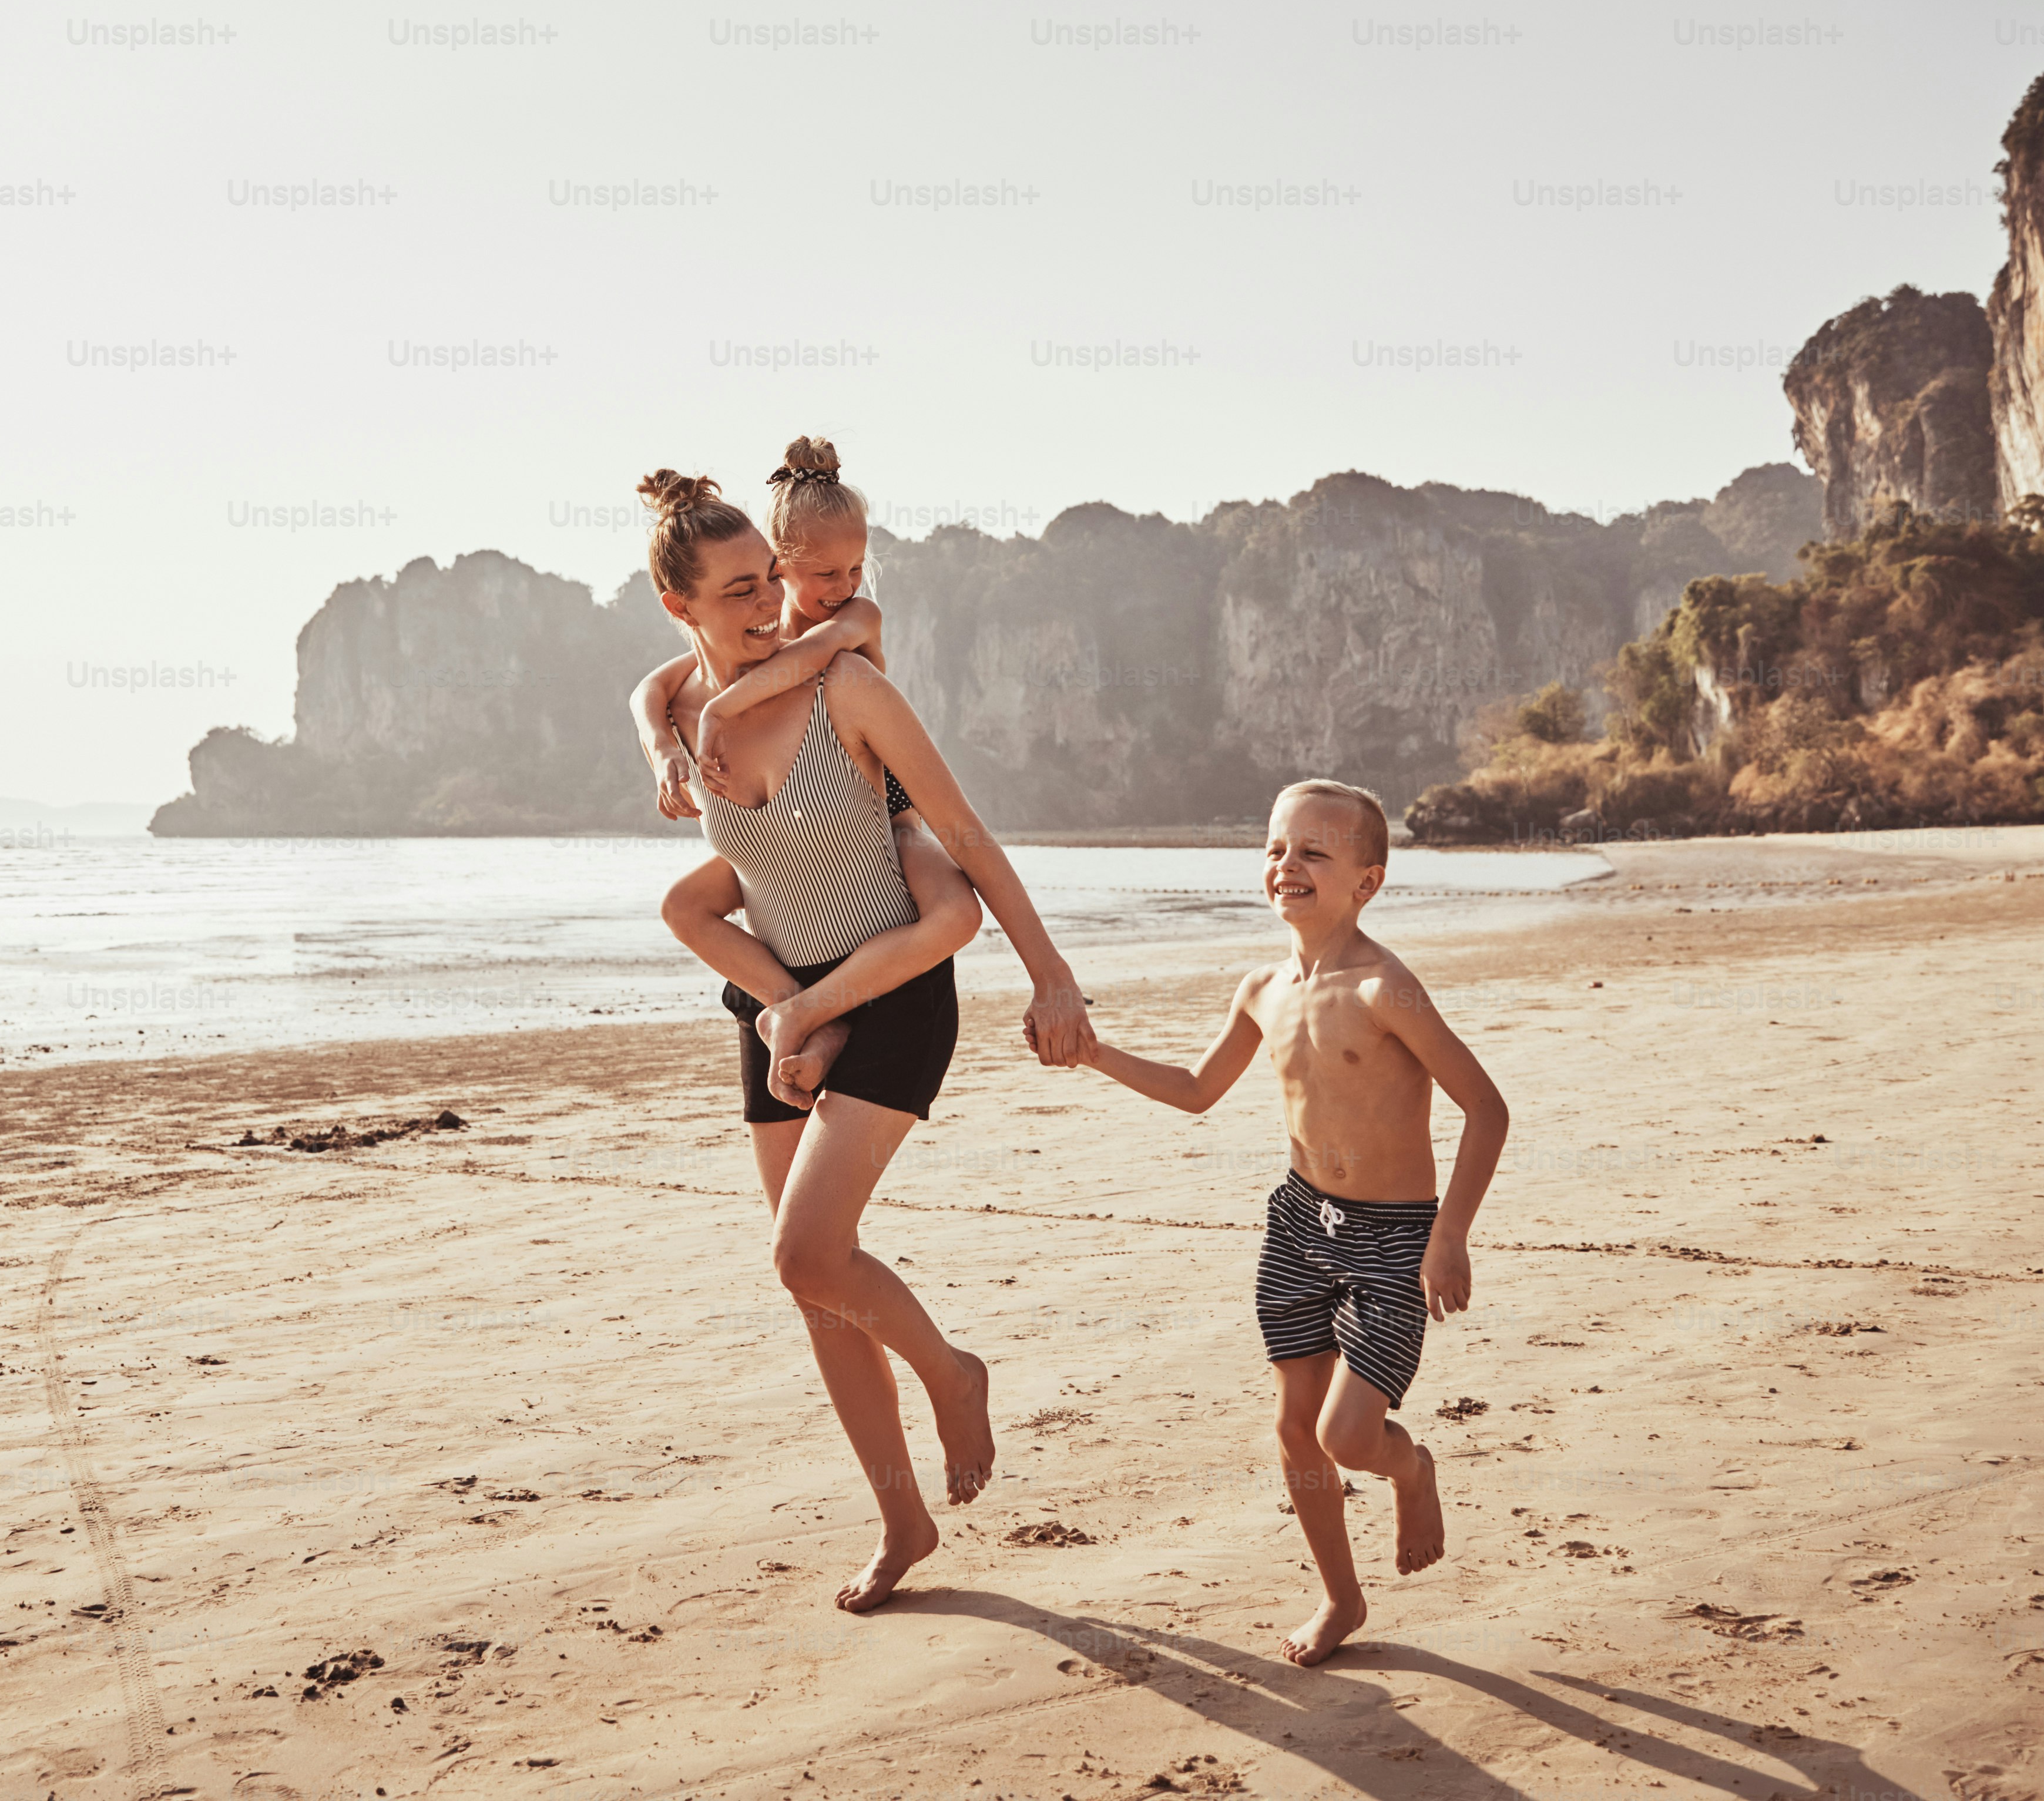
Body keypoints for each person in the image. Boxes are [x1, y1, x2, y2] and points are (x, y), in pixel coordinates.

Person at [633, 466, 1092, 1612]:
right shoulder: (683, 710)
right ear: (681, 606)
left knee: (805, 1254)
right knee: (817, 1285)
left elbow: (963, 835)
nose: (769, 606)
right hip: (782, 995)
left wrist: (1052, 973)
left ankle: (953, 1372)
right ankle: (902, 1525)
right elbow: (653, 701)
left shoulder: (846, 685)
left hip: (894, 999)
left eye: (766, 584)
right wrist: (669, 750)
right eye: (738, 590)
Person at [1069, 778, 1511, 1666]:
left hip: (1394, 1235)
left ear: (1367, 882)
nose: (1288, 865)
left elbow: (1486, 1108)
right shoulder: (1262, 988)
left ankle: (1410, 1469)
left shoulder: (1386, 987)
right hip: (1299, 1224)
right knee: (1292, 1425)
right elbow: (1197, 1092)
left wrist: (1449, 1234)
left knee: (1348, 1437)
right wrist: (1095, 1052)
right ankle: (1342, 1599)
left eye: (1315, 851)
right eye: (1277, 847)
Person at [627, 437, 983, 1098]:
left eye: (856, 568)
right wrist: (663, 748)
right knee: (683, 905)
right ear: (791, 566)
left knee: (956, 913)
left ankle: (811, 1013)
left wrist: (720, 711)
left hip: (886, 808)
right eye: (825, 573)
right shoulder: (745, 654)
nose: (844, 587)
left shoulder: (845, 627)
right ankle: (801, 1011)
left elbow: (805, 659)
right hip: (806, 840)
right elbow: (650, 687)